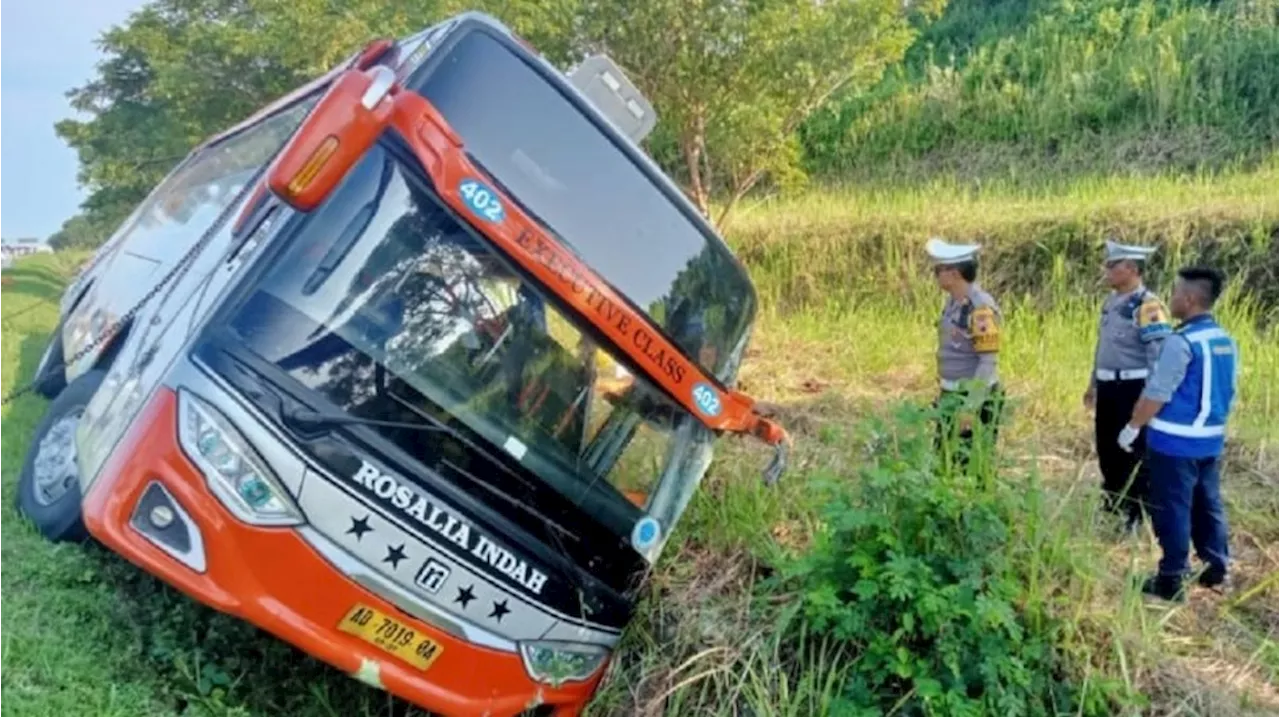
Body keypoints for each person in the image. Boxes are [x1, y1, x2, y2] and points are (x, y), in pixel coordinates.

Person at [1118, 266, 1237, 601]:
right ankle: (1216, 568)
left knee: (1172, 507)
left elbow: (1157, 392)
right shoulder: (1224, 339)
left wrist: (1132, 427)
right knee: (1208, 503)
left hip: (1174, 442)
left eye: (1174, 294)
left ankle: (1171, 578)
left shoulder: (1180, 341)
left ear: (1188, 299)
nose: (1170, 300)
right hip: (1210, 439)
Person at [1085, 239, 1172, 534]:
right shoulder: (1111, 303)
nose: (1107, 270)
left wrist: (1148, 398)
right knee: (1107, 449)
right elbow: (1102, 348)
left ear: (1132, 269)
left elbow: (1159, 357)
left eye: (1113, 265)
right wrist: (1093, 383)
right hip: (1109, 386)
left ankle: (1136, 515)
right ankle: (1113, 508)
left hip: (1133, 387)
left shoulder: (1148, 306)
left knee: (1134, 451)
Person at [926, 237, 1005, 470]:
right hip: (952, 394)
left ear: (954, 273)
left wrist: (970, 408)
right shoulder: (954, 303)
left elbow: (988, 360)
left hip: (972, 398)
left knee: (970, 467)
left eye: (938, 270)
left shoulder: (979, 308)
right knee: (944, 463)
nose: (936, 275)